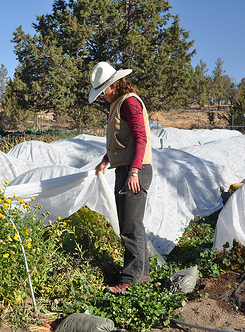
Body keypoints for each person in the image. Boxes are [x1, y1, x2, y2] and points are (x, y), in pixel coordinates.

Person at [89, 61, 153, 294]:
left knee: (129, 228)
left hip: (134, 171)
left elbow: (141, 137)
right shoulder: (119, 103)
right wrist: (106, 160)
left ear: (113, 85)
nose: (102, 96)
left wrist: (134, 171)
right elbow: (122, 140)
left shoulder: (130, 103)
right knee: (134, 225)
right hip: (126, 168)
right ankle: (142, 275)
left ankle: (129, 280)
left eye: (102, 91)